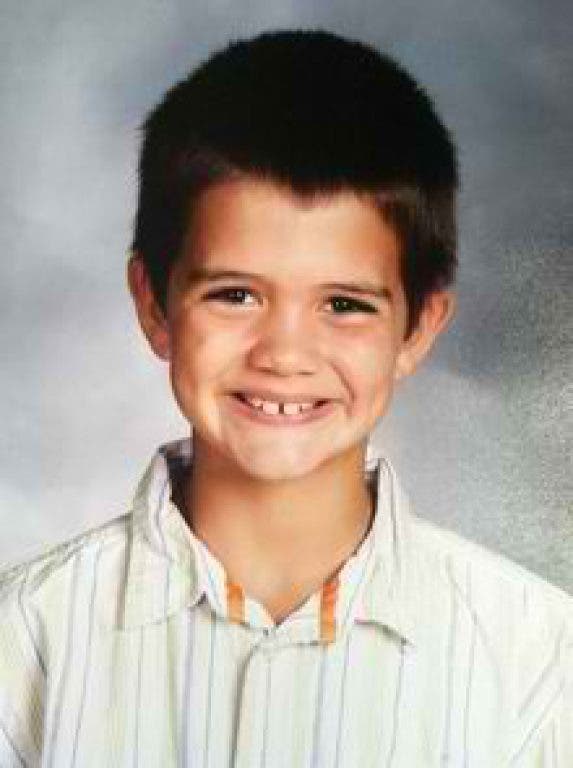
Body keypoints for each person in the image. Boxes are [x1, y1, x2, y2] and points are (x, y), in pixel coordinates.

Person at [0, 29, 570, 767]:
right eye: (235, 294)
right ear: (153, 304)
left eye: (344, 305)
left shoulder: (538, 662)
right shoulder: (24, 642)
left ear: (418, 328)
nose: (284, 354)